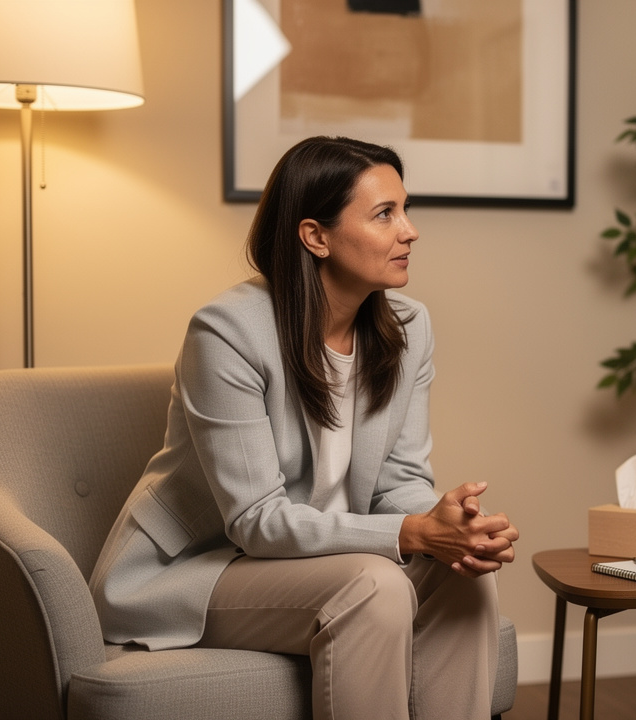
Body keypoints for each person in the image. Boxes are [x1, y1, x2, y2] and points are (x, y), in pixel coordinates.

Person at [89, 136, 518, 720]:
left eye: (405, 209)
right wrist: (411, 534)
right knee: (376, 585)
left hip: (331, 562)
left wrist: (450, 527)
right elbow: (256, 522)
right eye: (385, 214)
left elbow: (401, 483)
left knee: (464, 578)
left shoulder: (409, 329)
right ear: (315, 236)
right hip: (201, 568)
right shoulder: (228, 333)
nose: (410, 230)